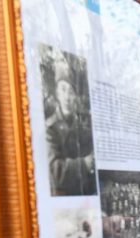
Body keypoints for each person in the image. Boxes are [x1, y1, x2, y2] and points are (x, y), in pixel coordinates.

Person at [45, 57, 96, 196]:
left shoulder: (81, 128)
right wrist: (83, 164)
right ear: (57, 93)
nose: (67, 96)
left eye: (71, 91)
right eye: (63, 89)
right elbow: (55, 172)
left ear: (75, 97)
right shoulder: (50, 129)